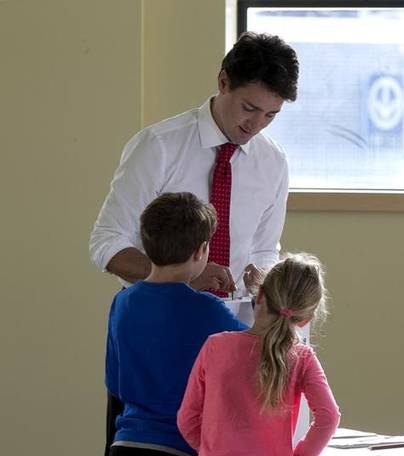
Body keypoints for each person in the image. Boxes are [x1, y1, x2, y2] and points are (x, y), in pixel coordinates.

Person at [89, 31, 299, 295]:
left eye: (271, 115)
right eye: (249, 108)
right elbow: (107, 242)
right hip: (157, 315)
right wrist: (179, 278)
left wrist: (264, 283)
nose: (256, 125)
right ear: (224, 82)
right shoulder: (158, 146)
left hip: (234, 322)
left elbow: (264, 250)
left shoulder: (273, 162)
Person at [105, 192, 247, 456]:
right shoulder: (209, 310)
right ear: (201, 251)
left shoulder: (122, 302)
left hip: (125, 447)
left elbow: (114, 382)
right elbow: (259, 348)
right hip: (180, 449)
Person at [177, 254, 340, 456]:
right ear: (305, 319)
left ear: (260, 295)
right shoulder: (302, 357)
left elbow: (187, 419)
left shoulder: (215, 346)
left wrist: (211, 452)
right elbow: (329, 417)